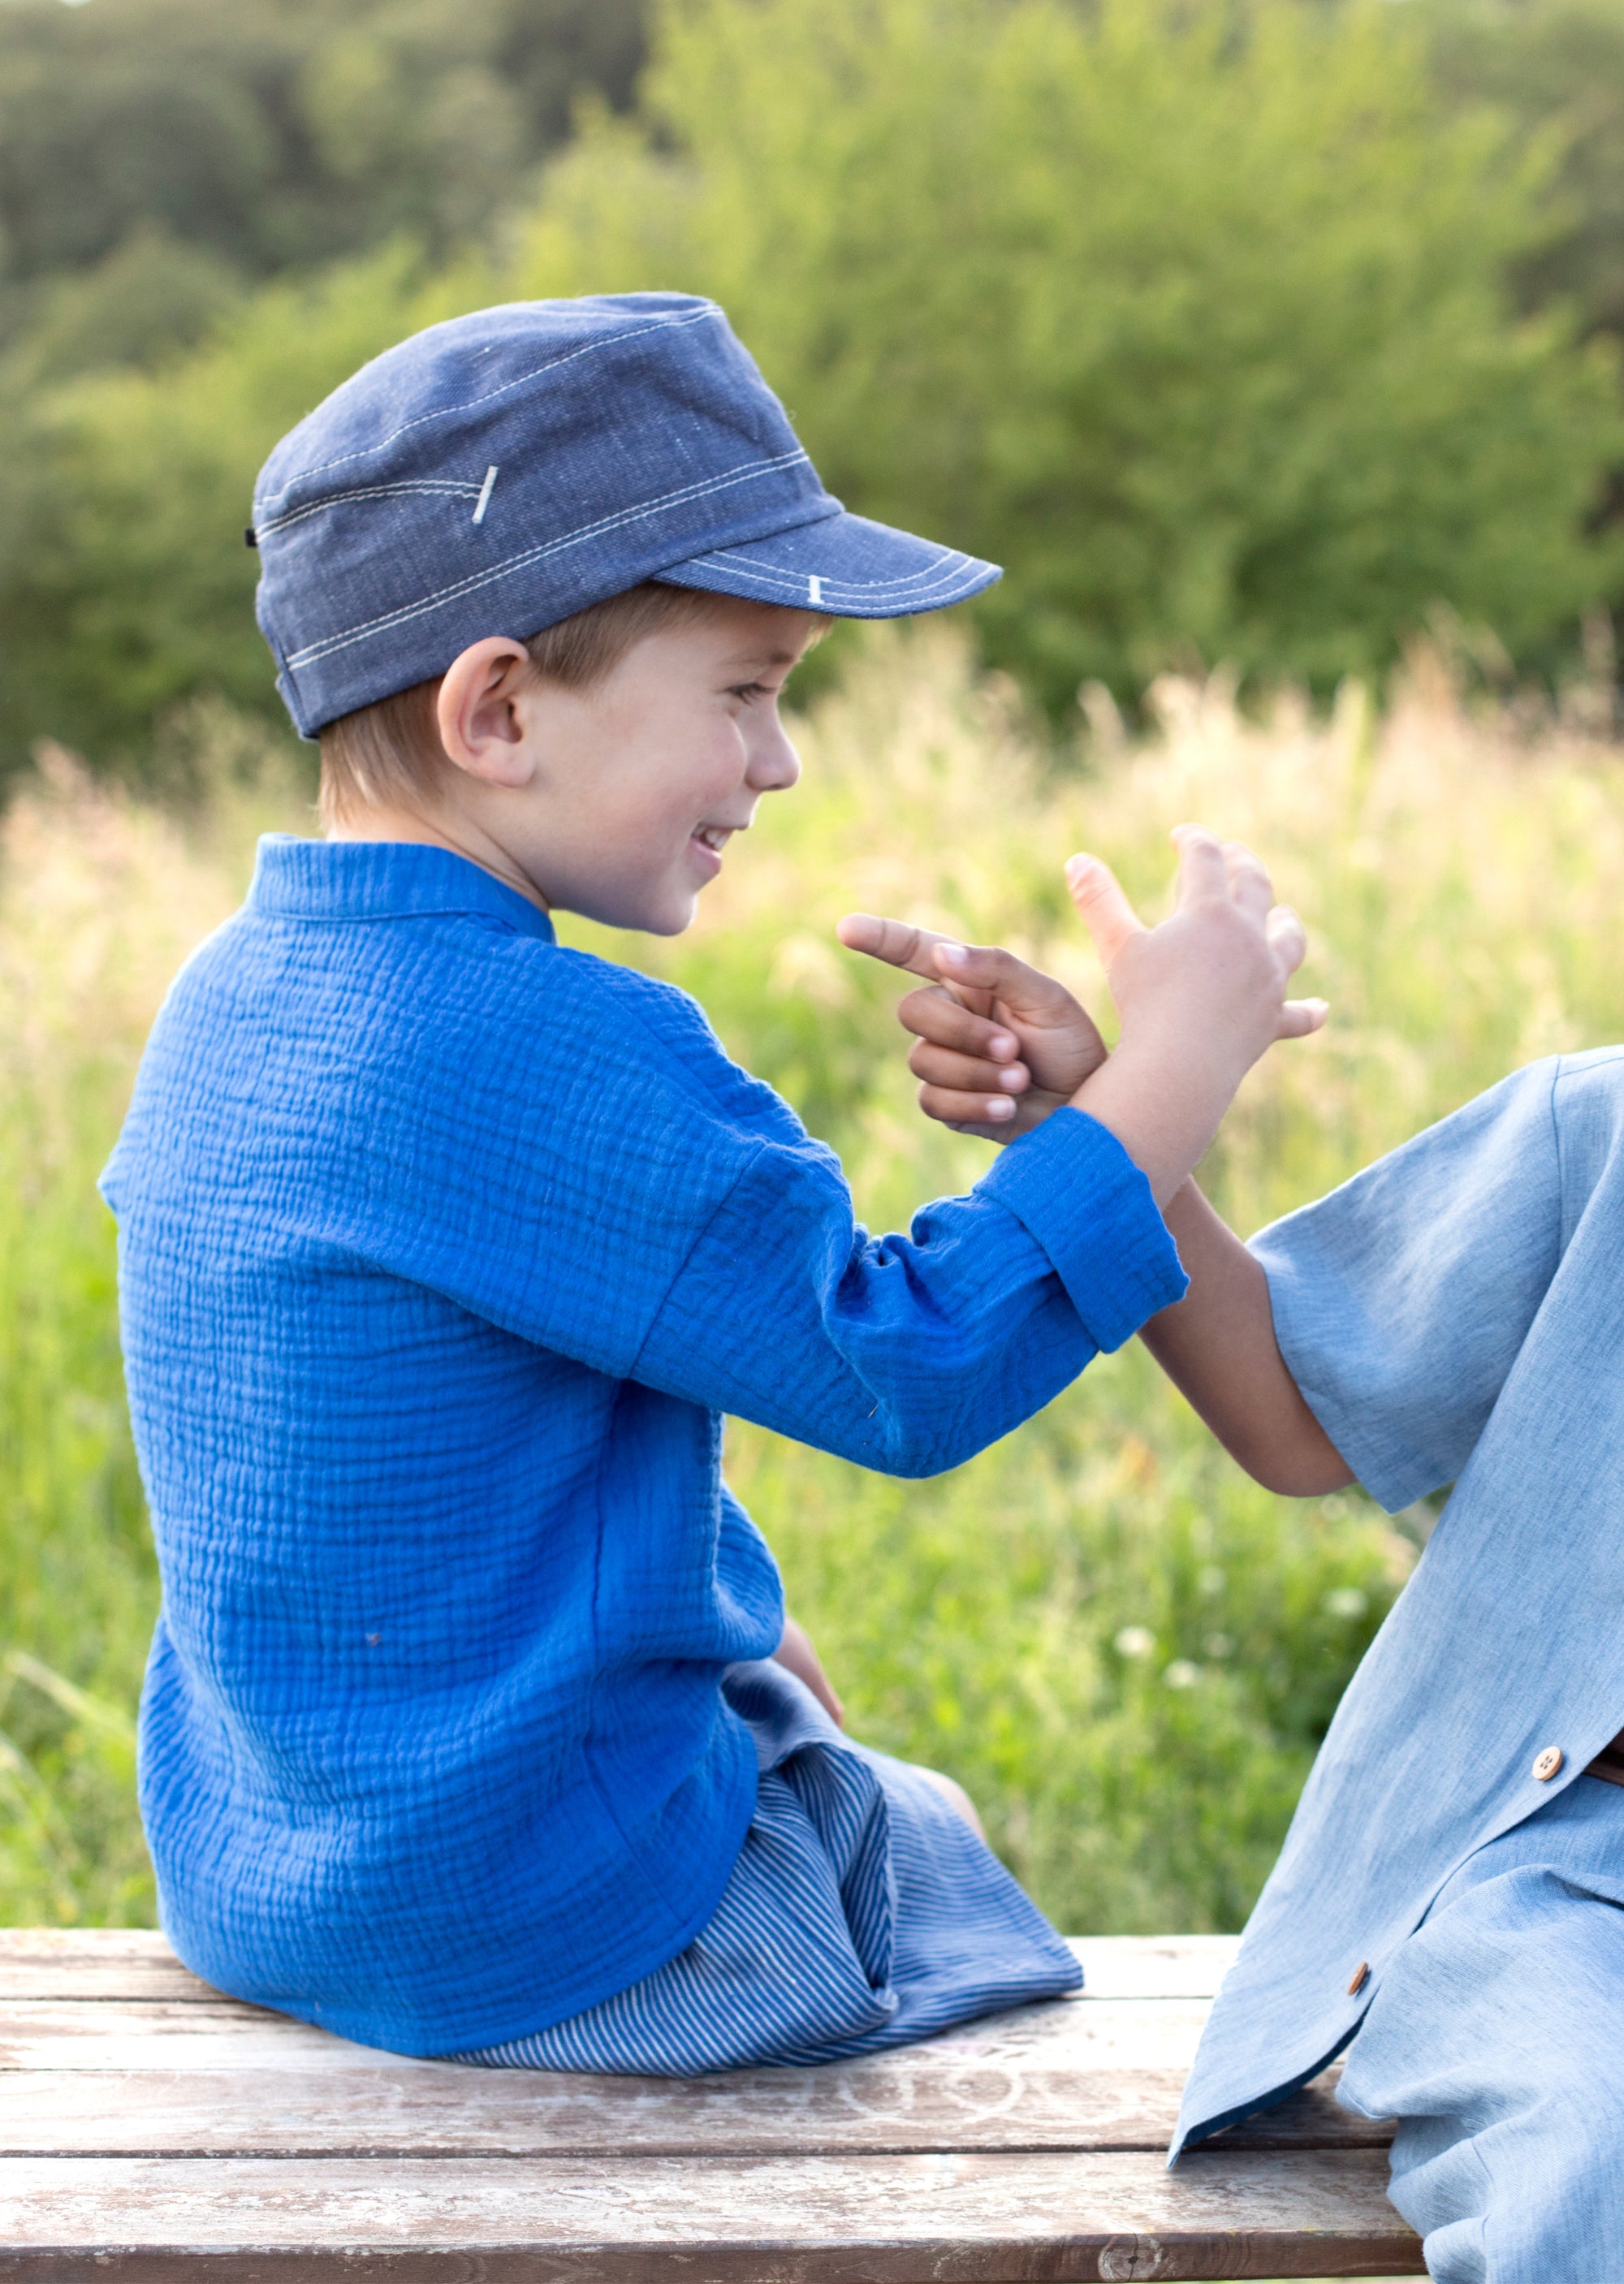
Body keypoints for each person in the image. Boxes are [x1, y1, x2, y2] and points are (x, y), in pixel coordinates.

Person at [101, 293, 1324, 2070]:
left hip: (269, 1877)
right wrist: (1178, 1066)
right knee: (919, 1835)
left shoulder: (232, 998)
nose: (777, 759)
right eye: (745, 692)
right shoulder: (555, 1043)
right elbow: (909, 1362)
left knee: (778, 1694)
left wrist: (741, 1624)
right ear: (497, 710)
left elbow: (429, 1461)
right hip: (543, 1929)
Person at [869, 863, 1624, 2282]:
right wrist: (1100, 1126)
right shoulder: (1602, 1135)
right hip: (1566, 1880)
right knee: (1598, 2156)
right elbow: (1295, 1408)